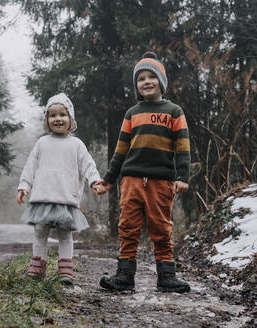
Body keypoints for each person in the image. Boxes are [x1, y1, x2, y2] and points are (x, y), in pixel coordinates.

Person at [97, 52, 191, 293]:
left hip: (161, 180)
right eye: (141, 79)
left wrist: (182, 177)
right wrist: (108, 179)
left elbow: (182, 146)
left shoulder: (174, 111)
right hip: (131, 180)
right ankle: (125, 276)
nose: (147, 82)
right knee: (127, 226)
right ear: (136, 86)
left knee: (161, 227)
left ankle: (167, 277)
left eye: (152, 77)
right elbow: (120, 150)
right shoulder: (132, 113)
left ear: (161, 81)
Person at [16, 92, 104, 285]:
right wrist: (24, 186)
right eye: (53, 115)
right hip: (43, 197)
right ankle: (37, 268)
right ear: (47, 120)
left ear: (70, 119)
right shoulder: (42, 143)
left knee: (65, 235)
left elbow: (88, 165)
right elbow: (31, 166)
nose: (58, 119)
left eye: (62, 115)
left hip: (66, 198)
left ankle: (65, 270)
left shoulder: (76, 144)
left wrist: (95, 181)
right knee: (40, 232)